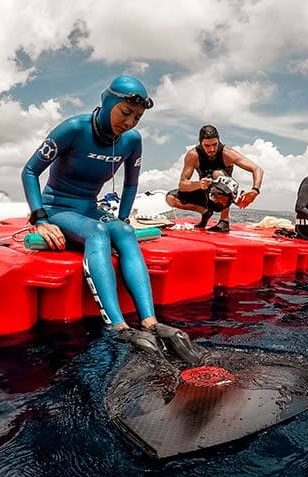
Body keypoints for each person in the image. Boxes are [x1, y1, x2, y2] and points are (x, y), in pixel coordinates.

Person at [20, 75, 201, 365]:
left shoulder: (131, 141)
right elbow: (29, 171)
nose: (129, 123)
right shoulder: (74, 128)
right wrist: (40, 218)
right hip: (59, 207)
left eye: (137, 117)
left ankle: (150, 322)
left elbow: (130, 185)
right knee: (98, 233)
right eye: (125, 113)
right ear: (107, 102)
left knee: (125, 233)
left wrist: (123, 219)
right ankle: (117, 326)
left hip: (89, 207)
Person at [165, 124, 264, 232]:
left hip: (223, 195)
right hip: (205, 192)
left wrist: (255, 190)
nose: (212, 149)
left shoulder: (227, 153)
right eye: (207, 146)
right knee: (171, 198)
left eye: (215, 144)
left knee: (217, 174)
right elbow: (182, 184)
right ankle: (205, 212)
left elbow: (257, 169)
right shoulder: (193, 155)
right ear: (200, 143)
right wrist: (199, 184)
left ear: (219, 141)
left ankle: (224, 221)